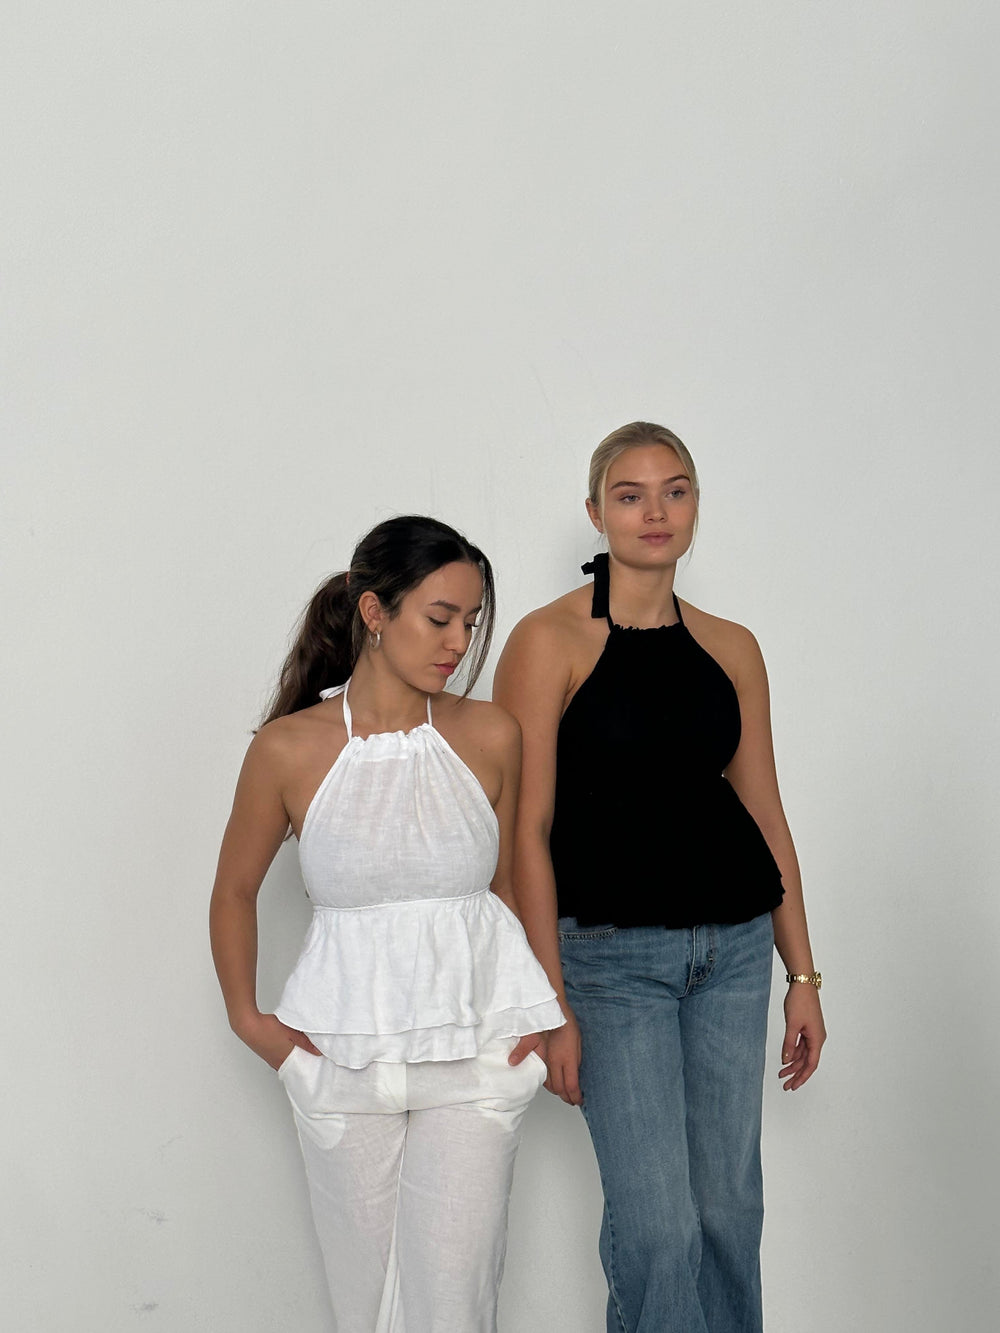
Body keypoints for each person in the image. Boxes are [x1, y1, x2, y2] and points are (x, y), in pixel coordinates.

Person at [493, 423, 826, 1333]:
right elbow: (523, 833)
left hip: (734, 953)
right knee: (657, 1227)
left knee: (728, 1214)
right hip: (609, 963)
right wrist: (547, 1000)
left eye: (674, 491)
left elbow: (766, 813)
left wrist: (802, 973)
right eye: (630, 494)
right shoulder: (547, 641)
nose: (654, 511)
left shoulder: (732, 646)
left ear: (695, 507)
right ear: (595, 510)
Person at [210, 515, 564, 1333]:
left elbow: (507, 883)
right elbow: (233, 890)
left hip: (477, 1052)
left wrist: (545, 1012)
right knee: (364, 1306)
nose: (458, 642)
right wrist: (250, 1021)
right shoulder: (287, 749)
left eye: (470, 621)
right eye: (439, 618)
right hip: (339, 1056)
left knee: (455, 1302)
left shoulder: (491, 735)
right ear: (374, 611)